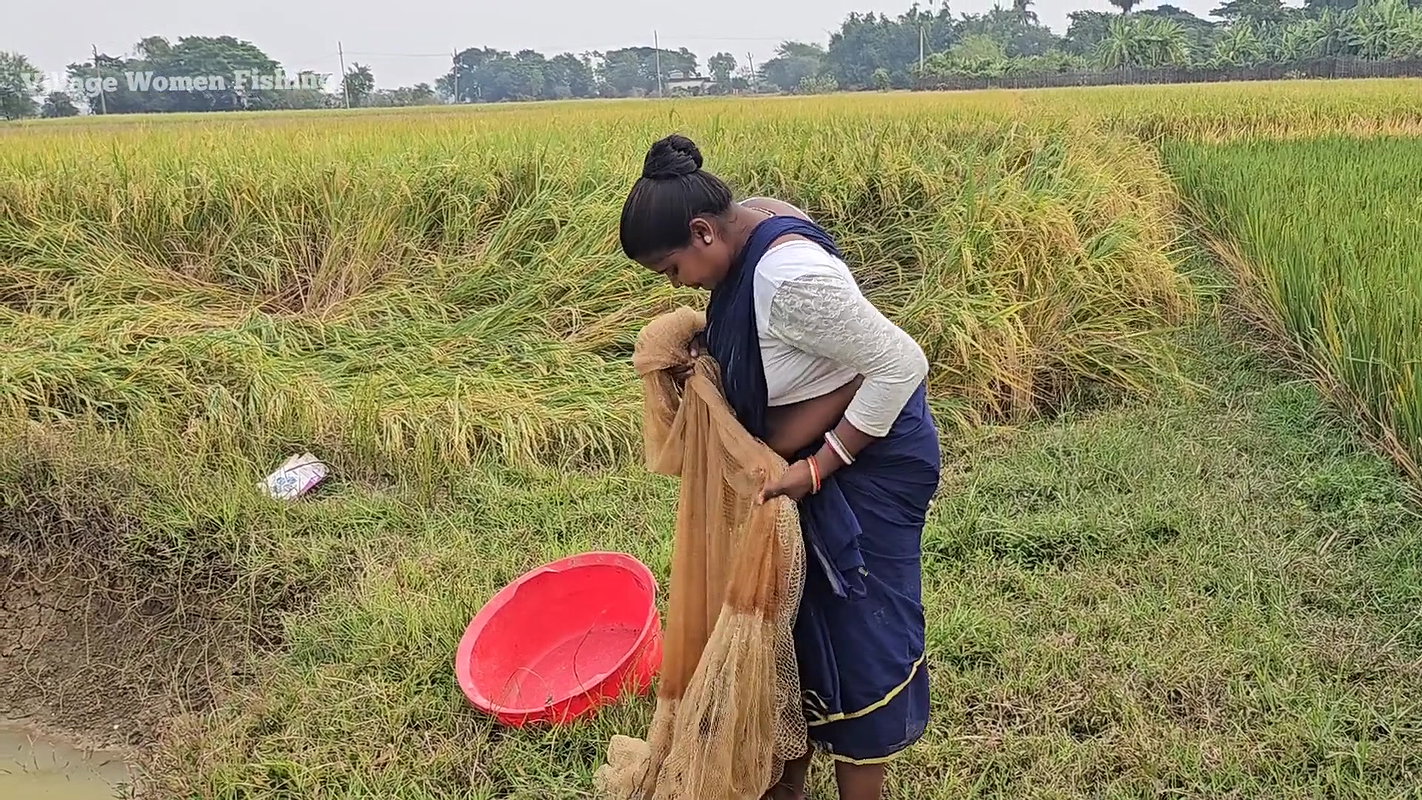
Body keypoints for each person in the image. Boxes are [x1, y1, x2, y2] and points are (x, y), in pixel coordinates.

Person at [618, 134, 941, 800]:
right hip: (816, 448)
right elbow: (806, 352)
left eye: (672, 270)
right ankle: (785, 777)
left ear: (703, 231)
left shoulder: (789, 281)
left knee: (858, 633)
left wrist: (821, 466)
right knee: (795, 621)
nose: (677, 286)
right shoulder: (750, 219)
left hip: (868, 461)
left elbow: (901, 363)